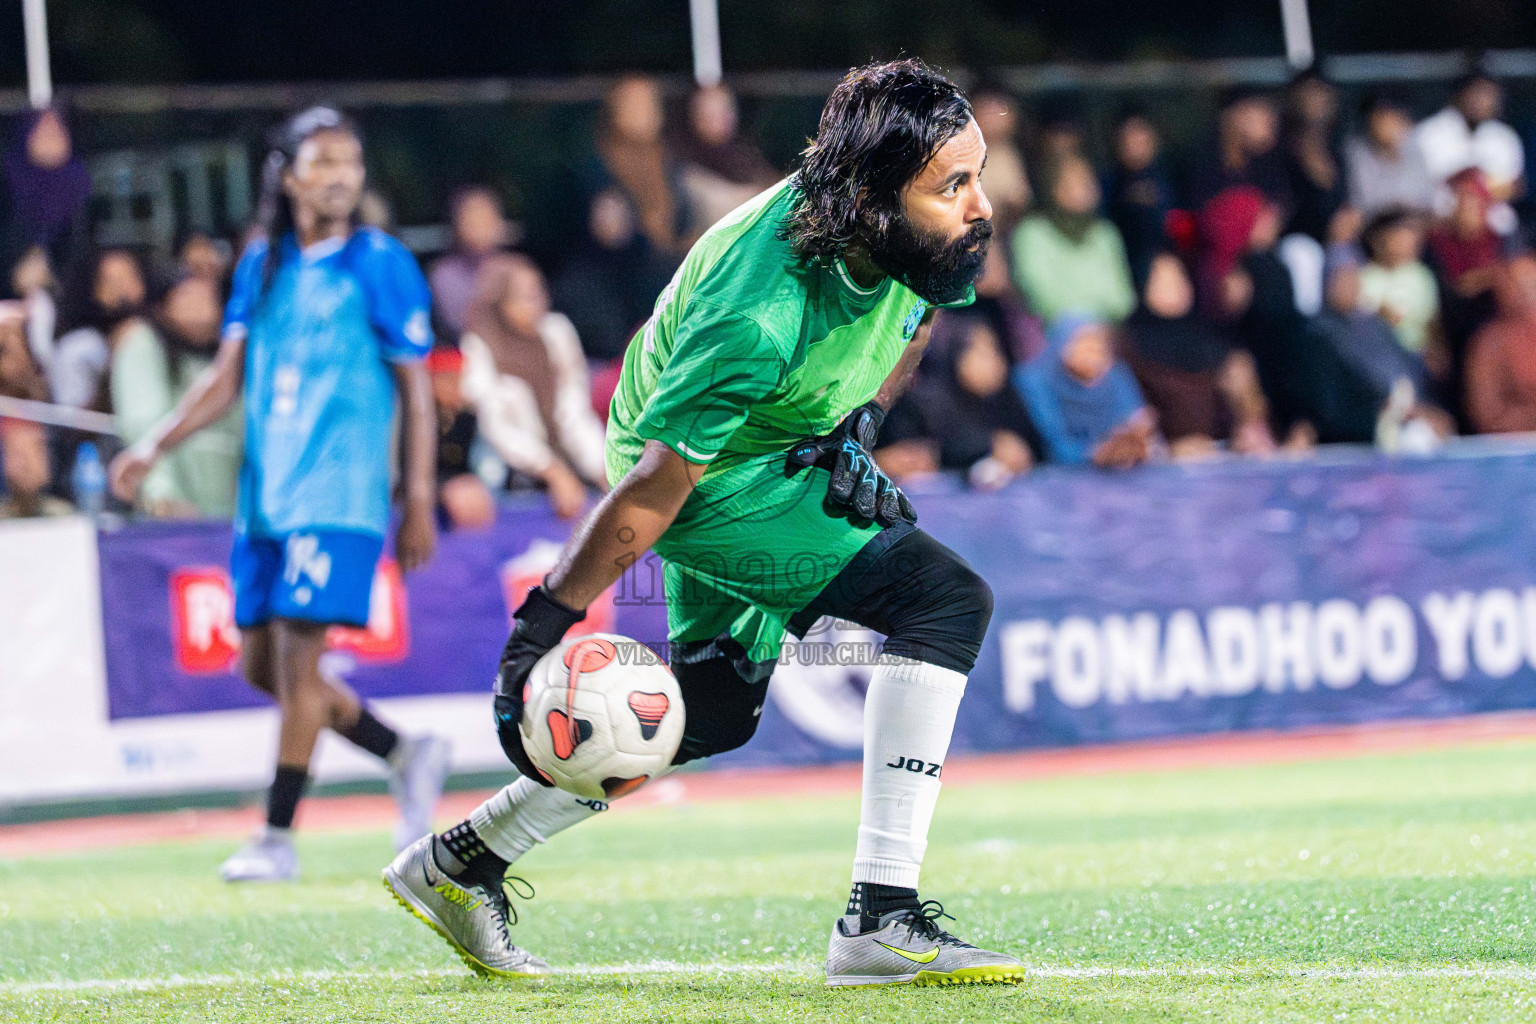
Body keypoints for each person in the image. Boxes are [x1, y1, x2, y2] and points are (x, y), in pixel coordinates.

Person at [383, 59, 1026, 987]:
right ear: (873, 203)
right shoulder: (755, 311)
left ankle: (460, 862)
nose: (982, 204)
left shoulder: (908, 232)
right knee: (944, 603)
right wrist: (546, 624)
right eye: (954, 186)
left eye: (977, 172)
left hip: (773, 441)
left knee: (715, 706)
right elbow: (656, 484)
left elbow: (913, 322)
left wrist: (858, 426)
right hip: (699, 467)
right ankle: (878, 917)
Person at [108, 107, 451, 882]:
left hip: (341, 492)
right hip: (267, 495)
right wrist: (152, 445)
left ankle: (275, 838)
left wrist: (420, 492)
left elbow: (417, 387)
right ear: (289, 175)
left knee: (299, 665)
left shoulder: (381, 261)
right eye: (323, 161)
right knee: (259, 669)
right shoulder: (262, 265)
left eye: (350, 162)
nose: (339, 176)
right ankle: (404, 752)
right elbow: (225, 379)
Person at [459, 254, 608, 520]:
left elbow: (575, 412)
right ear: (500, 301)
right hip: (505, 486)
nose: (538, 302)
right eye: (525, 296)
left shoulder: (557, 332)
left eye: (539, 291)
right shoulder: (478, 347)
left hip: (567, 477)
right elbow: (496, 426)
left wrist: (604, 469)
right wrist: (551, 471)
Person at [111, 274, 242, 517]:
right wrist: (163, 495)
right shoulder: (144, 342)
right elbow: (144, 424)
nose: (204, 300)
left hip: (232, 517)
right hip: (175, 520)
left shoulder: (233, 351)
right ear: (166, 304)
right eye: (189, 292)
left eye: (210, 293)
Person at [1121, 252, 1274, 457]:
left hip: (1219, 461)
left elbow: (1246, 411)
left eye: (1179, 277)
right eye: (1162, 280)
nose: (1175, 287)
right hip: (1161, 468)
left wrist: (1246, 429)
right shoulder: (1128, 349)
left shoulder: (1213, 343)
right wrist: (1168, 450)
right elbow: (1131, 419)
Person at [880, 312, 1039, 489]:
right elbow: (918, 455)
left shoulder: (1007, 399)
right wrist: (990, 444)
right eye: (980, 352)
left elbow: (1035, 449)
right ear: (956, 353)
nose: (993, 362)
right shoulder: (921, 402)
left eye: (995, 351)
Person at [1014, 313, 1156, 468]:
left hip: (1122, 473)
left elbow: (1135, 419)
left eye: (1098, 349)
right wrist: (1096, 453)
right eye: (1083, 347)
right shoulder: (1036, 380)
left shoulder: (1116, 376)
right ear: (1061, 346)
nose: (1092, 357)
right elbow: (1054, 442)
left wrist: (1138, 441)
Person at [1009, 154, 1137, 325]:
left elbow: (1122, 299)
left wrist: (1095, 324)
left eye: (1089, 181)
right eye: (1076, 182)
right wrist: (1083, 320)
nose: (1087, 189)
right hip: (1052, 335)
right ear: (1053, 188)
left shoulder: (1106, 233)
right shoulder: (1031, 233)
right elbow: (1041, 298)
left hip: (1107, 332)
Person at [553, 188, 674, 362]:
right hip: (602, 365)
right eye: (603, 212)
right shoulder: (576, 276)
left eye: (618, 211)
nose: (611, 219)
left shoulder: (654, 263)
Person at [592, 75, 685, 254]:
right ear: (615, 111)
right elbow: (610, 235)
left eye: (650, 104)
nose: (644, 112)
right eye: (634, 105)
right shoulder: (599, 170)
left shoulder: (670, 162)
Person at [676, 84, 779, 241]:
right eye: (708, 113)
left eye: (724, 111)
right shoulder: (687, 171)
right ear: (693, 116)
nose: (718, 121)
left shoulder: (747, 157)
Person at [1415, 71, 1526, 219]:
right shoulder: (1428, 133)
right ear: (1459, 95)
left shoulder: (1504, 136)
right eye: (1476, 93)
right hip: (1439, 223)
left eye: (1488, 95)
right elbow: (1417, 187)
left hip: (1492, 224)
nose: (1481, 101)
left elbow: (1513, 186)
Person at [1, 106, 89, 286]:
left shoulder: (79, 184)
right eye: (42, 133)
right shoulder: (8, 184)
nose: (52, 141)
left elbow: (80, 250)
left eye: (58, 133)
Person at [1102, 107, 1177, 290]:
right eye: (1129, 134)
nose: (1137, 141)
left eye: (1142, 133)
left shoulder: (1172, 180)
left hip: (1171, 270)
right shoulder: (1107, 184)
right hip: (1122, 268)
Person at [1358, 207, 1443, 363]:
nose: (1408, 242)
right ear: (1379, 239)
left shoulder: (1421, 275)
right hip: (1377, 356)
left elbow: (1432, 323)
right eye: (1400, 236)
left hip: (1418, 355)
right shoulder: (1363, 276)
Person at [1464, 255, 1536, 434]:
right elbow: (1487, 415)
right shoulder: (1489, 344)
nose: (1524, 290)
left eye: (1530, 282)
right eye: (1515, 282)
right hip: (1517, 449)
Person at [429, 185, 511, 337]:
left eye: (485, 219)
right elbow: (459, 325)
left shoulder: (516, 268)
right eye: (472, 220)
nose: (480, 227)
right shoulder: (444, 275)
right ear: (457, 226)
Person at [1279, 69, 1350, 245]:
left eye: (1320, 92)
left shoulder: (1339, 148)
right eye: (1308, 92)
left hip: (1339, 242)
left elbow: (1349, 202)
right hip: (1295, 242)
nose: (1314, 100)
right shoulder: (1279, 149)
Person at [1190, 87, 1289, 209]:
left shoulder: (1277, 168)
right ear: (1235, 116)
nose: (1272, 123)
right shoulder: (1201, 167)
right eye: (1263, 113)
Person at [1346, 93, 1437, 218]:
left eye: (1393, 118)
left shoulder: (1414, 151)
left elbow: (1427, 201)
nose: (1386, 124)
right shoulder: (1356, 152)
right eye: (1380, 118)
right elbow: (1366, 205)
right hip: (1376, 228)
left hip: (1414, 224)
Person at [968, 87, 1031, 234]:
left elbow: (1019, 199)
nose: (994, 118)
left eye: (1000, 109)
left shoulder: (1009, 155)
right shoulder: (965, 153)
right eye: (987, 110)